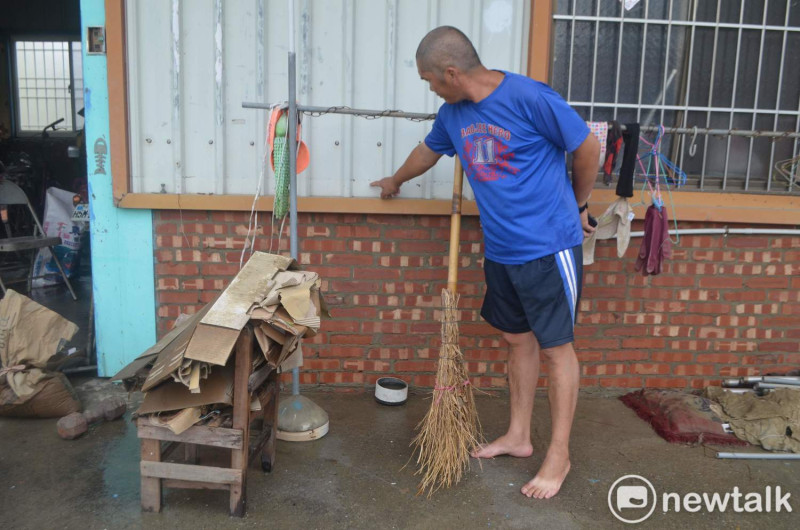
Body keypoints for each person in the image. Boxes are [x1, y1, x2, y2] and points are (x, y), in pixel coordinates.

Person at [371, 26, 600, 500]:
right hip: (501, 250)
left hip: (548, 247)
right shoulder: (452, 115)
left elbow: (587, 147)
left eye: (430, 80)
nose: (430, 88)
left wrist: (577, 208)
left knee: (556, 348)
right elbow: (426, 152)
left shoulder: (529, 97)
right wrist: (395, 180)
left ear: (451, 73)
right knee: (517, 341)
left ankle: (559, 452)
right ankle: (519, 436)